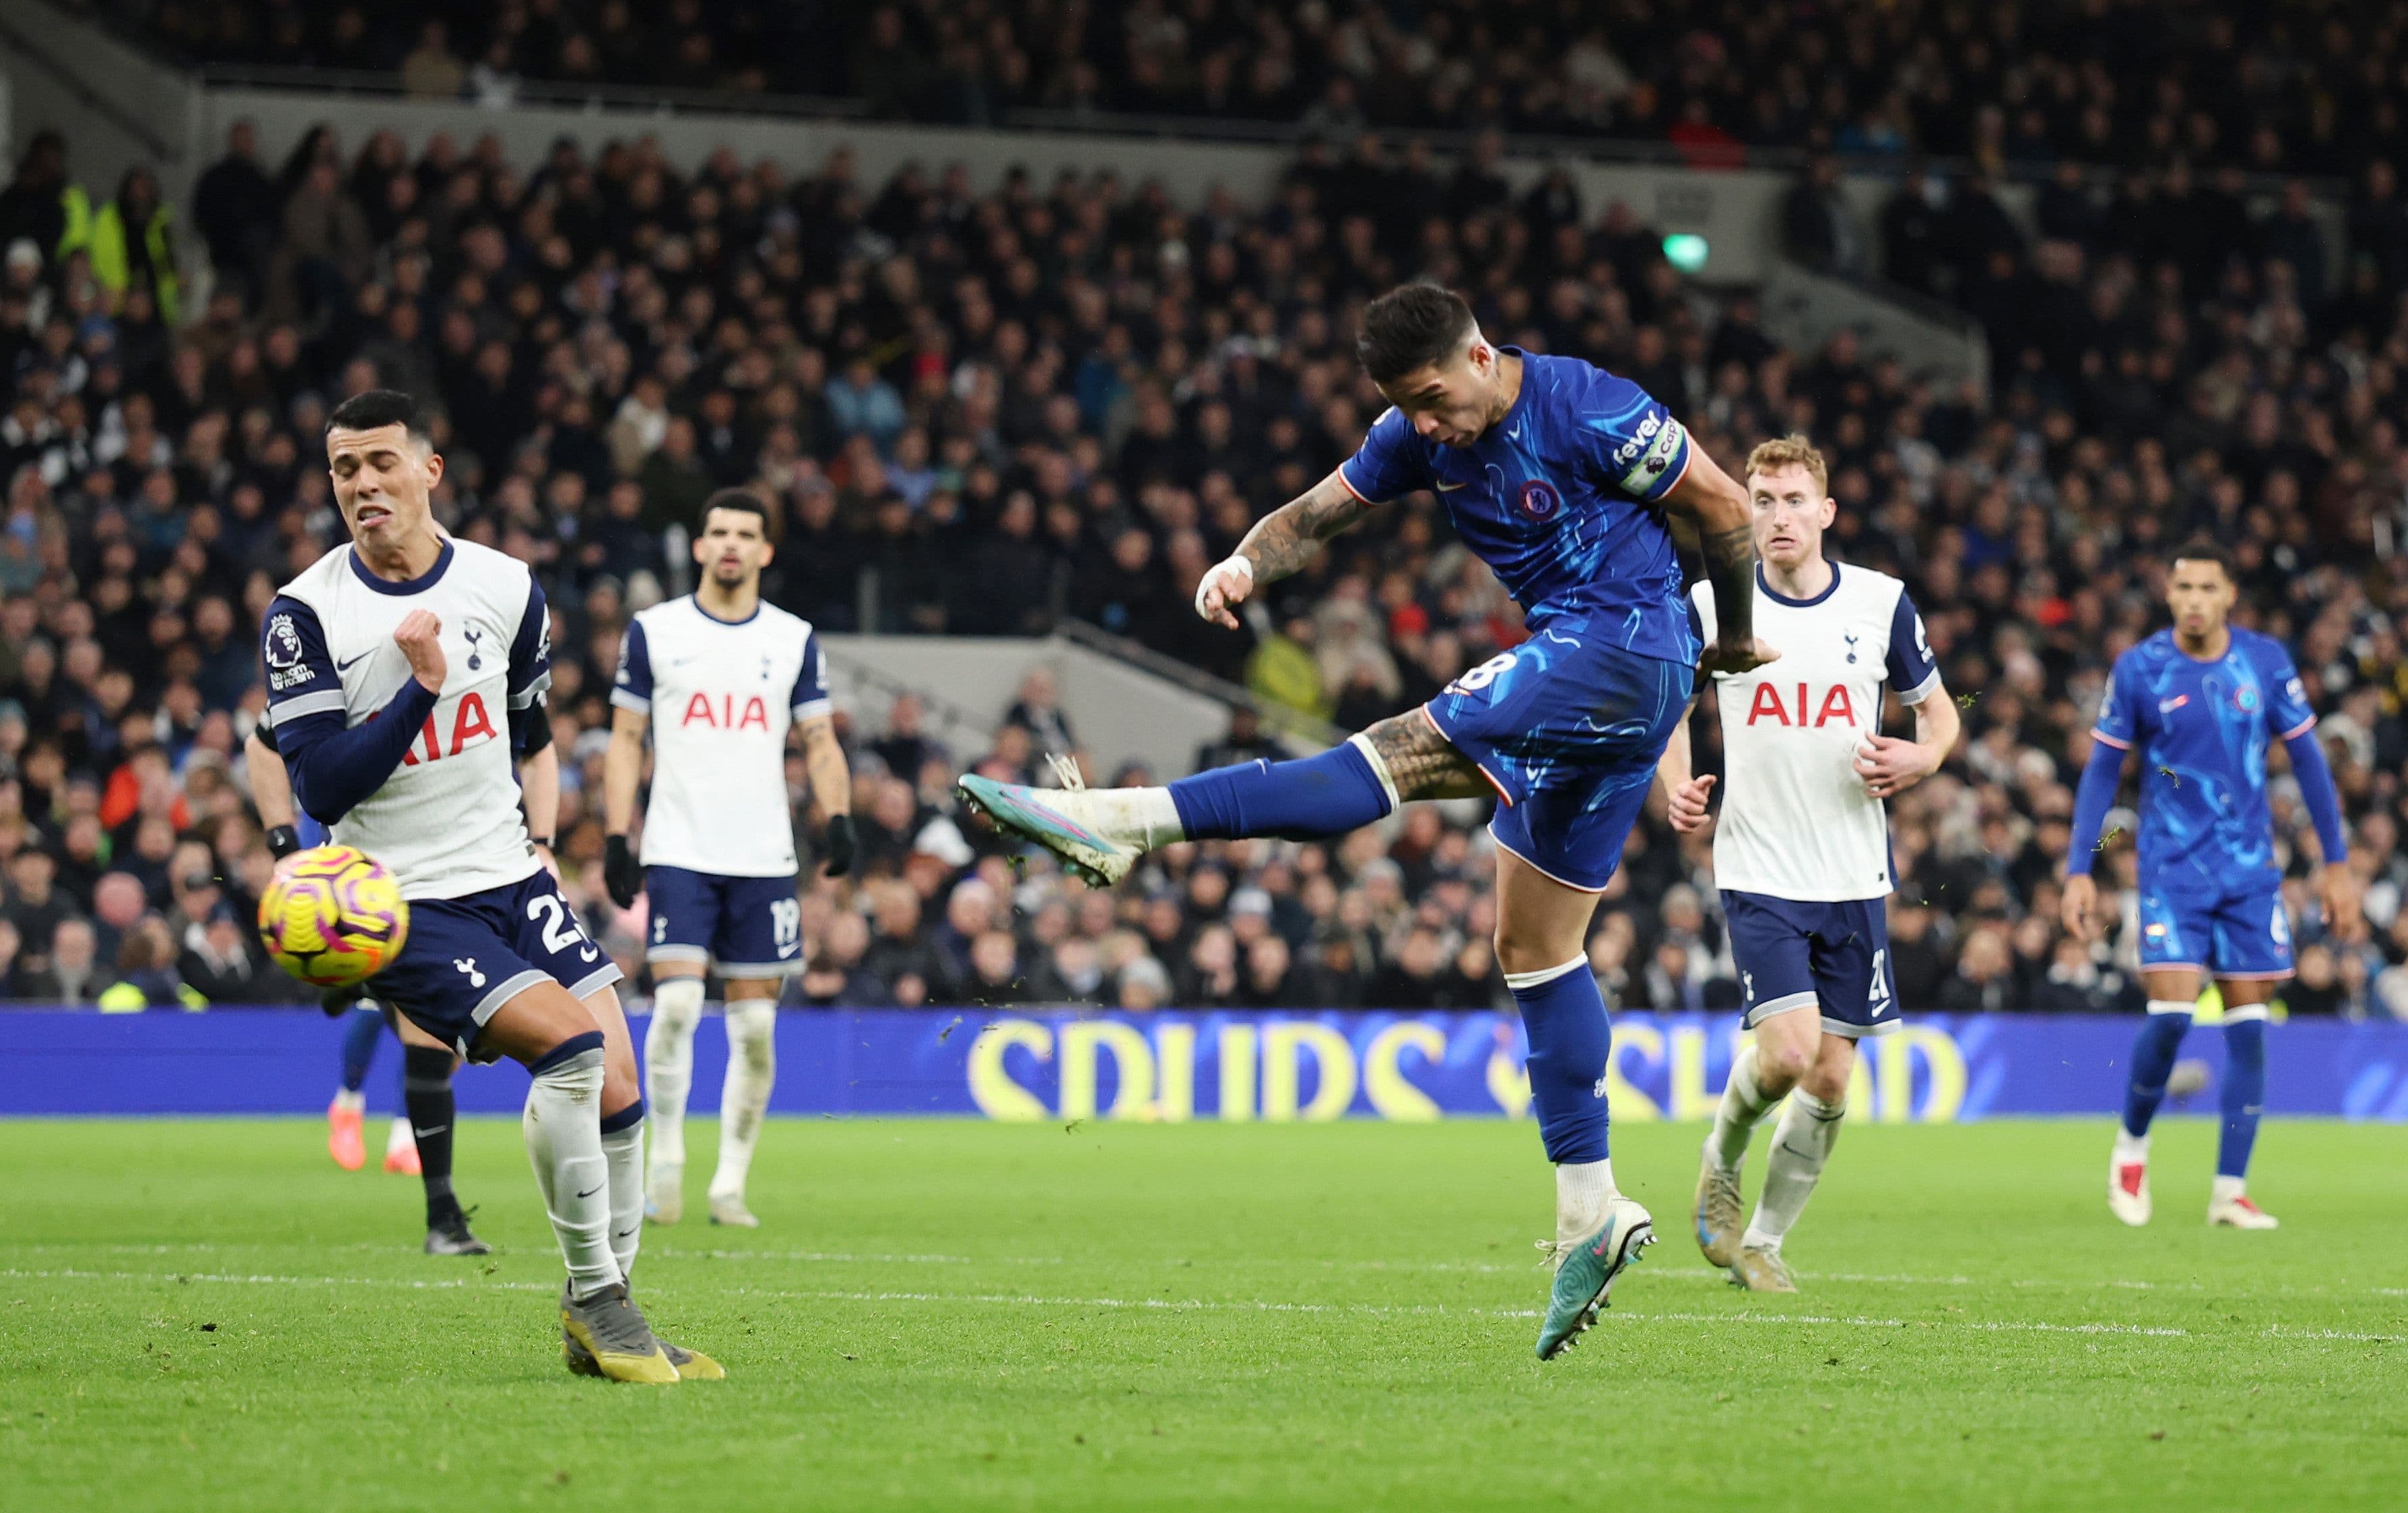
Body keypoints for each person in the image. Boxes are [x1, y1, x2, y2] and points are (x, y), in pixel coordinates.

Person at [957, 283, 1769, 1360]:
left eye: (1434, 398)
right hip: (1611, 685)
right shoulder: (1414, 435)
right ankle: (1592, 1209)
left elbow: (1720, 505)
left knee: (1395, 751)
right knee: (1533, 949)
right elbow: (1315, 516)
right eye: (1406, 407)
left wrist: (1737, 640)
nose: (1426, 424)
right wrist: (1245, 560)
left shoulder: (1590, 406)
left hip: (1621, 646)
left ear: (1481, 356)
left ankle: (1124, 822)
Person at [261, 389, 714, 1383]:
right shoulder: (305, 613)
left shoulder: (509, 588)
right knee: (570, 1051)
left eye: (382, 462)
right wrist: (419, 686)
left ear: (429, 469)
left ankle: (605, 1317)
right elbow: (321, 783)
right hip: (402, 899)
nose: (364, 485)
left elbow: (523, 729)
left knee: (624, 1089)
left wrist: (546, 840)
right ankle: (596, 1296)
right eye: (344, 469)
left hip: (509, 873)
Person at [1656, 435, 1960, 1292]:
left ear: (1825, 512)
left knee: (1830, 1078)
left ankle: (1762, 1243)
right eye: (1761, 499)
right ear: (1744, 509)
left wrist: (1921, 759)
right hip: (1758, 868)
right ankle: (1721, 1154)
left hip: (1855, 877)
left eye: (1793, 500)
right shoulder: (1713, 606)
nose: (1777, 515)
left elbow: (1939, 719)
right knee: (1787, 1055)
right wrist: (1676, 786)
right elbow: (1666, 712)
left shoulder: (1881, 603)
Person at [2062, 538, 2361, 1231]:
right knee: (2168, 1016)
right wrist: (2078, 868)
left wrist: (2336, 862)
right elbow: (2102, 772)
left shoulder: (2264, 661)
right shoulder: (2140, 668)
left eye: (2206, 587)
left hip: (2249, 873)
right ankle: (2130, 1150)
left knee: (2248, 1027)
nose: (2193, 600)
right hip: (2170, 869)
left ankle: (2229, 1190)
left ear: (2227, 595)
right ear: (2168, 596)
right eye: (2182, 588)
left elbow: (2311, 766)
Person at [603, 488, 856, 1229]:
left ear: (765, 551)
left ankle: (730, 1185)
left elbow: (818, 740)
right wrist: (619, 833)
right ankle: (668, 1168)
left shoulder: (792, 638)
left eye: (746, 534)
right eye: (718, 532)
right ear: (701, 546)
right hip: (679, 847)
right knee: (677, 1006)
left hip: (762, 855)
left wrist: (837, 817)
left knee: (753, 1031)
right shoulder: (655, 631)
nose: (731, 545)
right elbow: (625, 738)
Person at [247, 719, 490, 1256]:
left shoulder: (443, 686)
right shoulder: (334, 677)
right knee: (380, 1011)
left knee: (438, 1029)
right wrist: (286, 845)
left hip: (433, 878)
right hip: (351, 883)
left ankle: (406, 1135)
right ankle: (352, 1103)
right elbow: (264, 743)